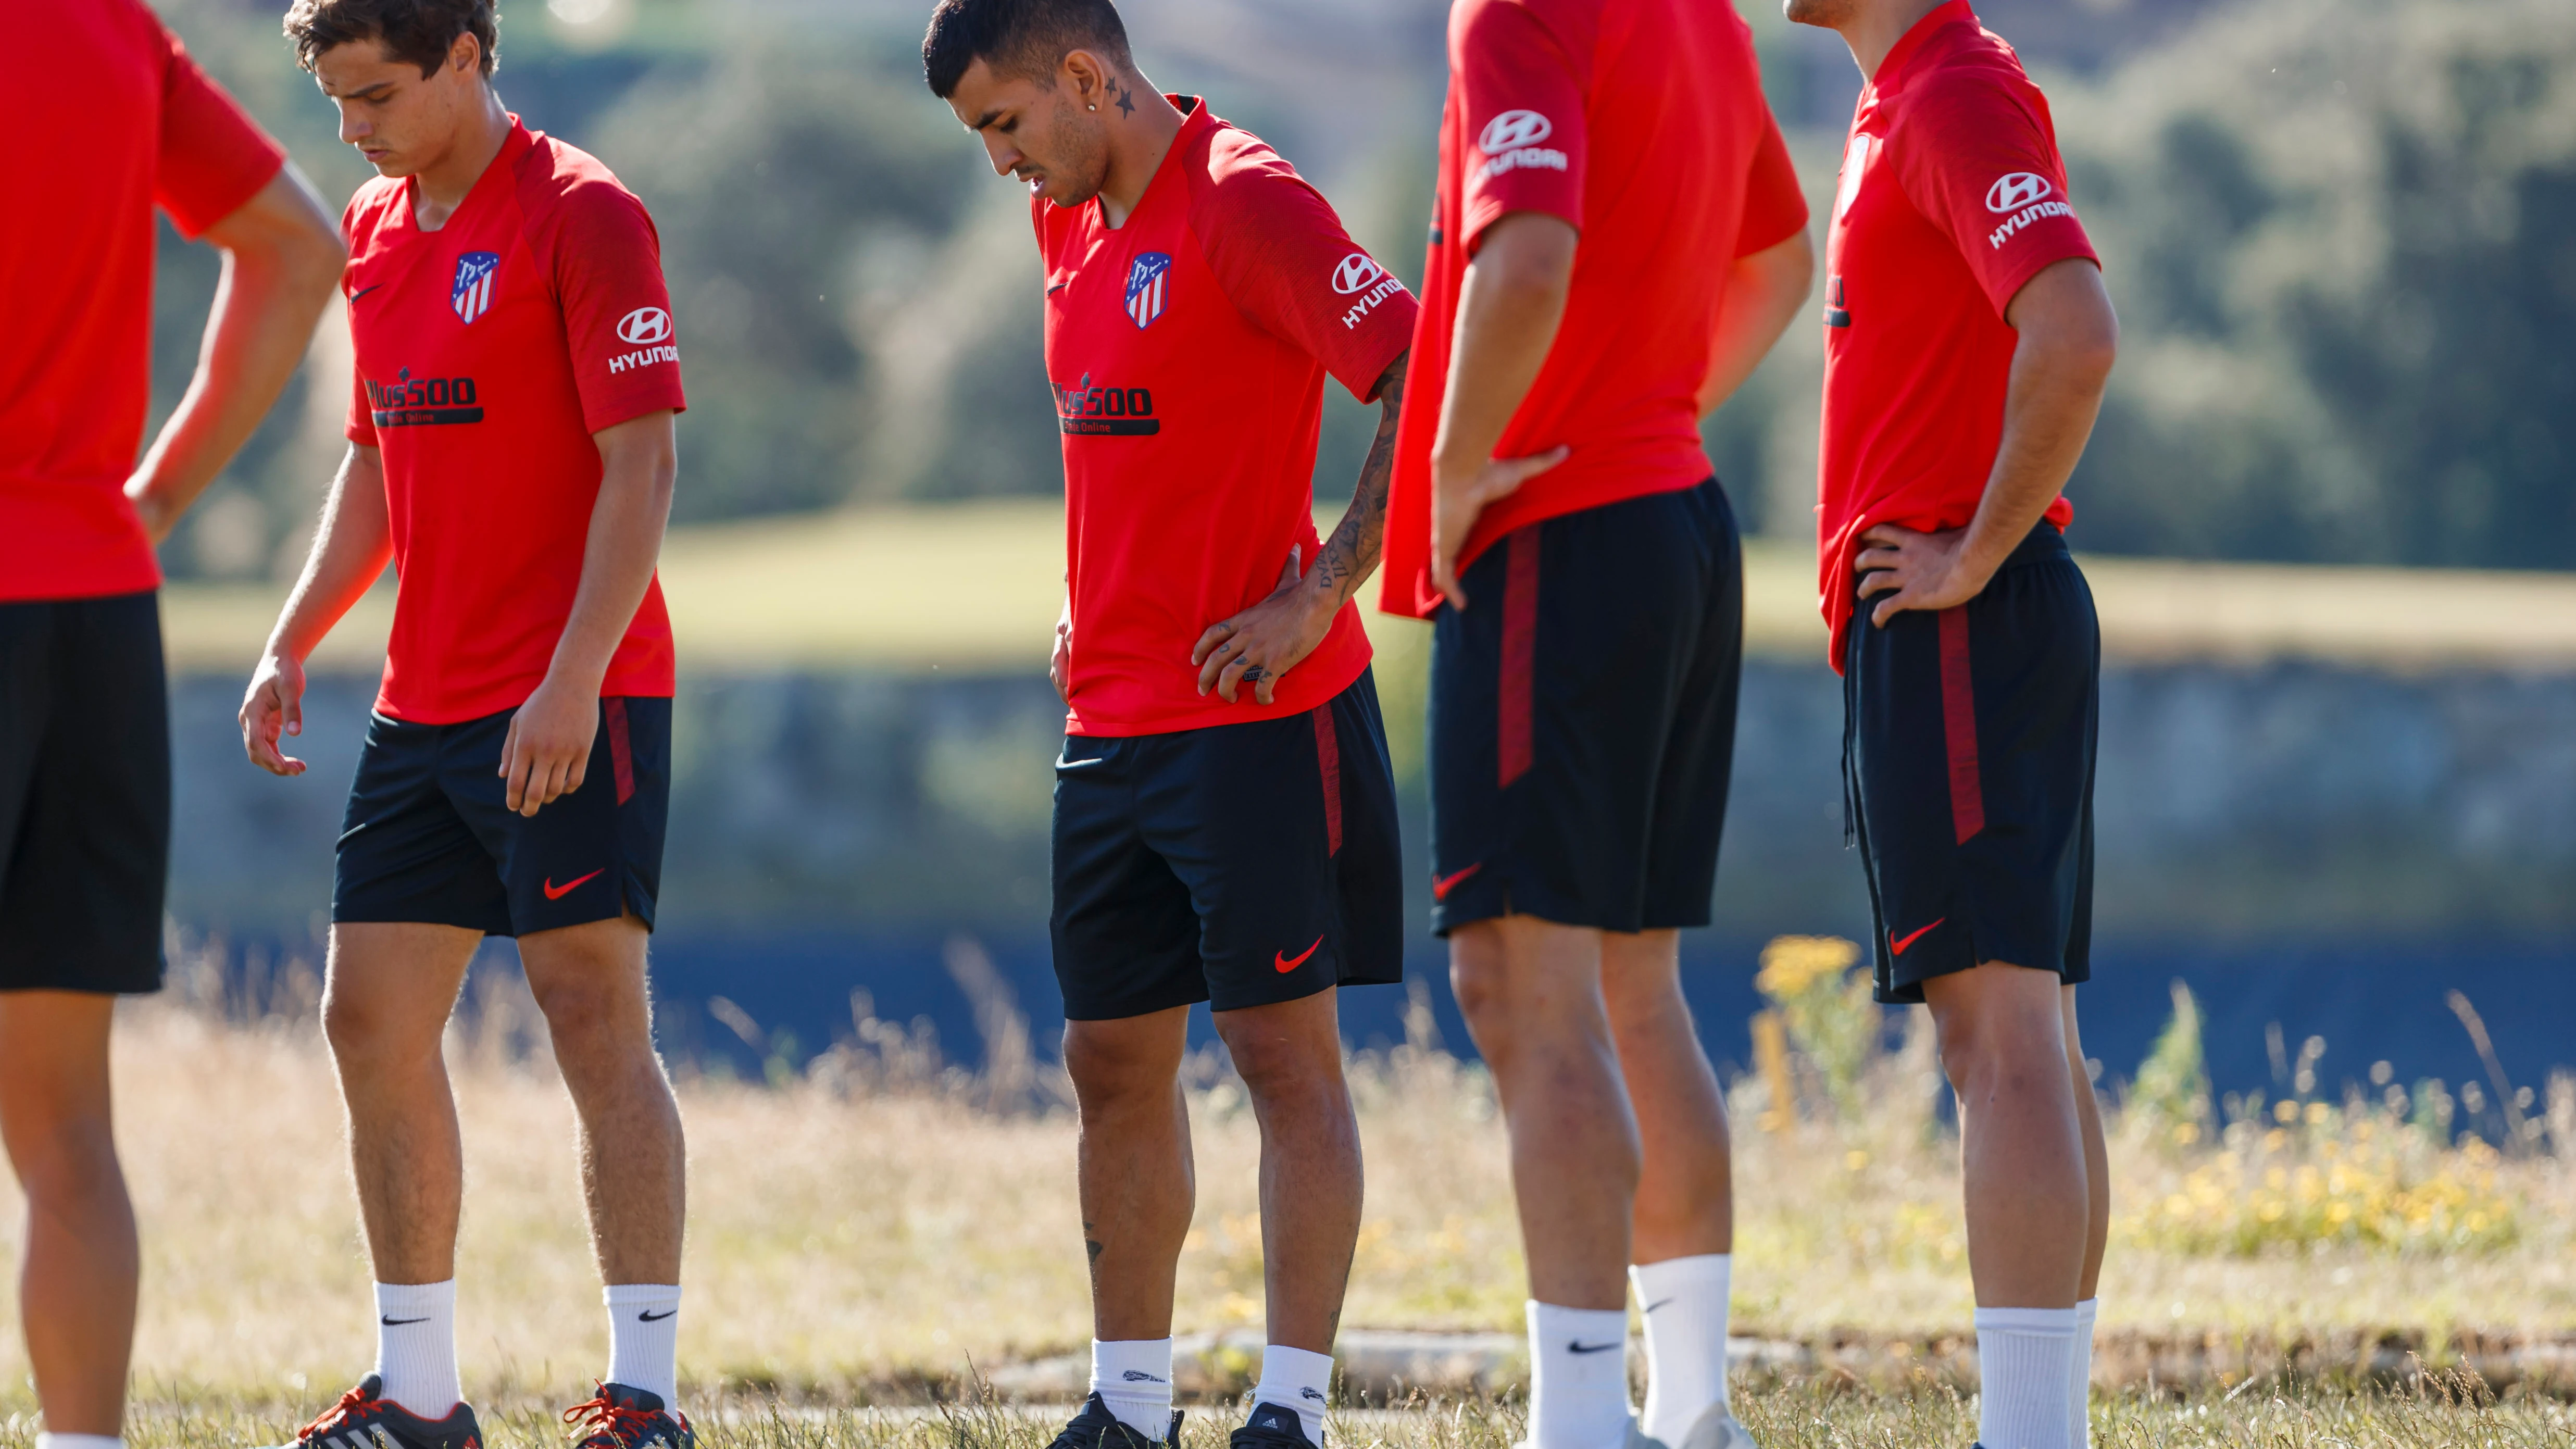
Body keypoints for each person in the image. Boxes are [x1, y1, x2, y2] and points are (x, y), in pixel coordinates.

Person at [923, 3, 1417, 1446]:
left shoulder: (1249, 198)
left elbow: (1417, 368)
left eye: (1007, 124)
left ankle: (1294, 1410)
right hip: (1109, 727)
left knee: (1281, 1059)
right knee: (1111, 1063)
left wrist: (1326, 586)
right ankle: (1131, 1406)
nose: (1003, 164)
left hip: (1256, 721)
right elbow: (1124, 439)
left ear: (1085, 76)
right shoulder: (1067, 219)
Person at [241, 3, 693, 1446]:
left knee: (590, 1021)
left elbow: (643, 468)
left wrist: (572, 676)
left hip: (577, 691)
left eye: (374, 94)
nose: (350, 129)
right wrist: (290, 636)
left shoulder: (588, 215)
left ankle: (643, 1395)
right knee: (364, 1018)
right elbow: (377, 463)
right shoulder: (377, 229)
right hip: (420, 707)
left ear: (468, 56)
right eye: (332, 99)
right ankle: (421, 1393)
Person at [1375, 0, 1815, 1445]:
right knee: (1635, 985)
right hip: (1679, 520)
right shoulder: (1699, 12)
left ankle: (1579, 1418)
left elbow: (1528, 254)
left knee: (1526, 986)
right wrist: (1654, 406)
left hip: (1559, 538)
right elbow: (1778, 262)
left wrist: (1450, 473)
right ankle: (1690, 1408)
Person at [0, 10, 341, 1449]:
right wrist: (149, 498)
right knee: (66, 1125)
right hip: (89, 608)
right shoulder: (109, 27)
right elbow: (298, 249)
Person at [1783, 0, 2120, 1445]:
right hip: (1955, 617)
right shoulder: (1902, 97)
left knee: (2003, 1044)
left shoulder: (1951, 94)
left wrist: (1972, 554)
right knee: (2021, 1032)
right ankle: (2047, 1424)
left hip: (1964, 613)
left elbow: (2076, 331)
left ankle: (2029, 1435)